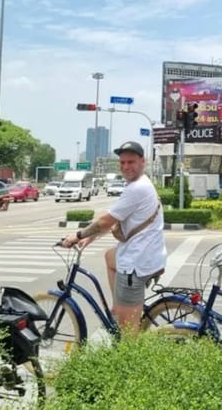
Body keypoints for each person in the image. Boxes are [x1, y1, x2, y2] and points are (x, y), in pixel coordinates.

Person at [61, 141, 166, 332]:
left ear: (143, 161)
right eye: (123, 162)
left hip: (135, 265)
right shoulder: (141, 184)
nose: (126, 167)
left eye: (131, 162)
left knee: (128, 334)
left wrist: (77, 235)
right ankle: (119, 306)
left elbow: (105, 222)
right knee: (110, 256)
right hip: (150, 257)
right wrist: (90, 238)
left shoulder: (136, 189)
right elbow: (117, 221)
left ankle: (129, 348)